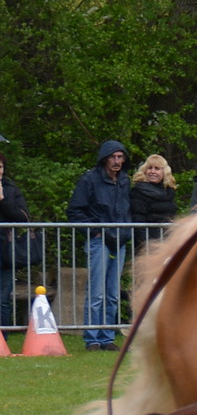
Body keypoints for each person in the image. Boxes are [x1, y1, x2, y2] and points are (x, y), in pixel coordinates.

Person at [67, 140, 131, 351]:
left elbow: (126, 210)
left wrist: (125, 233)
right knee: (97, 292)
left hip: (119, 241)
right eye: (113, 157)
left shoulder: (124, 181)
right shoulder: (89, 179)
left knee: (113, 292)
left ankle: (107, 336)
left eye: (120, 157)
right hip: (99, 241)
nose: (117, 161)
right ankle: (92, 338)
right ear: (105, 158)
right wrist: (94, 231)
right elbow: (75, 211)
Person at [0, 150, 29, 328]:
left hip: (5, 251)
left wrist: (3, 200)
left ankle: (3, 339)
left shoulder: (11, 189)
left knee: (3, 299)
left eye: (0, 167)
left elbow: (23, 217)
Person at [130, 154, 178, 245]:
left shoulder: (169, 192)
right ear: (144, 171)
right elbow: (138, 222)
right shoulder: (138, 192)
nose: (152, 171)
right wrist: (146, 245)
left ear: (164, 172)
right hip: (149, 244)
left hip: (167, 242)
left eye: (157, 168)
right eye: (149, 168)